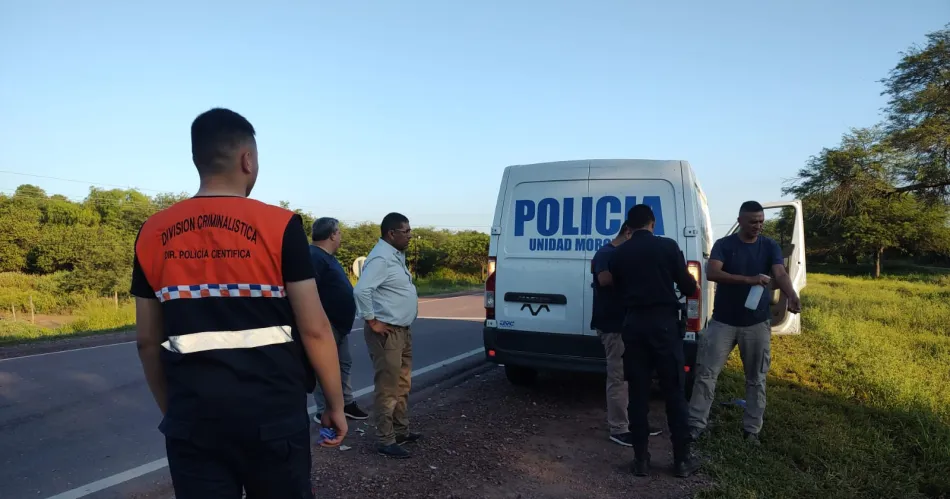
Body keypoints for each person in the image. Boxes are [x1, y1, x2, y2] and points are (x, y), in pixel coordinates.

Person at [131, 108, 347, 499]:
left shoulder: (152, 232)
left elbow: (147, 341)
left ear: (198, 159)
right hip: (273, 417)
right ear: (247, 160)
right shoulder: (280, 226)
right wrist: (334, 403)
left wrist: (175, 412)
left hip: (193, 420)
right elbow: (315, 329)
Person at [687, 201, 801, 445]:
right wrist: (749, 280)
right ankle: (695, 425)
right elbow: (713, 273)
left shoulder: (769, 245)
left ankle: (752, 430)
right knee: (706, 374)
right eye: (752, 222)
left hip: (756, 323)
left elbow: (780, 273)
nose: (758, 226)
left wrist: (791, 294)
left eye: (761, 221)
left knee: (756, 378)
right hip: (723, 322)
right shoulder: (724, 245)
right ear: (740, 221)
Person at [608, 204, 700, 478]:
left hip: (634, 326)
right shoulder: (668, 247)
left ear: (629, 226)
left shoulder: (618, 253)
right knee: (674, 393)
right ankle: (681, 461)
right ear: (653, 223)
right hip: (665, 326)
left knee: (637, 394)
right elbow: (688, 286)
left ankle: (641, 461)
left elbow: (618, 291)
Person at [353, 212, 420, 459]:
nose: (410, 235)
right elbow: (361, 291)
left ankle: (401, 431)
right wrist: (372, 321)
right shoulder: (381, 258)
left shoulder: (395, 255)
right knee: (388, 387)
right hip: (387, 333)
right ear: (391, 233)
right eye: (406, 231)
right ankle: (386, 439)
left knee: (402, 383)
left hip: (402, 330)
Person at [590, 222, 663, 446]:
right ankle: (619, 428)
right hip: (613, 325)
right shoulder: (606, 253)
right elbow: (604, 279)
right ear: (628, 232)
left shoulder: (625, 254)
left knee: (636, 376)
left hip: (631, 325)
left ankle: (637, 423)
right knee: (618, 377)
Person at [308, 217, 369, 423]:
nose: (341, 236)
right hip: (326, 325)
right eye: (339, 232)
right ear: (333, 234)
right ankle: (323, 410)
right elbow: (308, 292)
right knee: (323, 368)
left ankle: (346, 404)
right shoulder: (314, 256)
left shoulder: (327, 257)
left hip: (339, 326)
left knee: (343, 364)